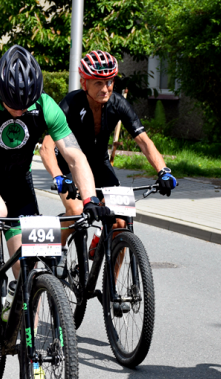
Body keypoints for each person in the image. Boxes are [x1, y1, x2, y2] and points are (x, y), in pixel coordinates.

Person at [0, 45, 109, 317]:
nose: (19, 110)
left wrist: (90, 198)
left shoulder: (45, 106)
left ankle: (23, 333)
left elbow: (75, 156)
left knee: (29, 267)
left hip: (18, 181)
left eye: (26, 104)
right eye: (12, 104)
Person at [40, 50, 177, 244]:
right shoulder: (71, 103)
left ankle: (106, 259)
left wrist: (163, 171)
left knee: (122, 223)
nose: (106, 88)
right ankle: (56, 253)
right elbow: (46, 148)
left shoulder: (118, 103)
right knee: (77, 211)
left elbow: (144, 142)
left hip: (100, 164)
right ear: (84, 83)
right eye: (98, 82)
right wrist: (58, 177)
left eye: (110, 81)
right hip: (69, 166)